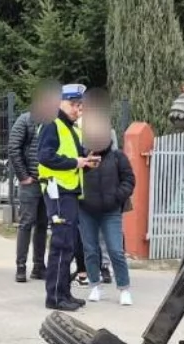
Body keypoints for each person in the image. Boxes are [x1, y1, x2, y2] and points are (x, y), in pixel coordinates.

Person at [37, 83, 100, 312]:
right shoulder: (51, 125)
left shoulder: (72, 130)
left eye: (80, 105)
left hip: (69, 191)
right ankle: (54, 297)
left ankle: (64, 292)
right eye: (74, 104)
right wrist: (76, 162)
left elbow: (73, 158)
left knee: (69, 244)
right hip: (57, 191)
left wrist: (87, 161)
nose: (77, 109)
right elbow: (45, 157)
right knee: (61, 244)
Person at [77, 112, 136, 305]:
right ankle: (95, 285)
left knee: (115, 250)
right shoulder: (82, 157)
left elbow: (129, 180)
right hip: (86, 209)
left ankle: (124, 288)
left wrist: (116, 197)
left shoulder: (118, 157)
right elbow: (73, 178)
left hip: (110, 210)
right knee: (91, 249)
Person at [7, 81, 61, 282]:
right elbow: (13, 148)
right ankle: (21, 267)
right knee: (26, 224)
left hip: (48, 182)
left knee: (42, 224)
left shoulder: (54, 123)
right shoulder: (25, 120)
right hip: (30, 183)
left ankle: (39, 266)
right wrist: (23, 176)